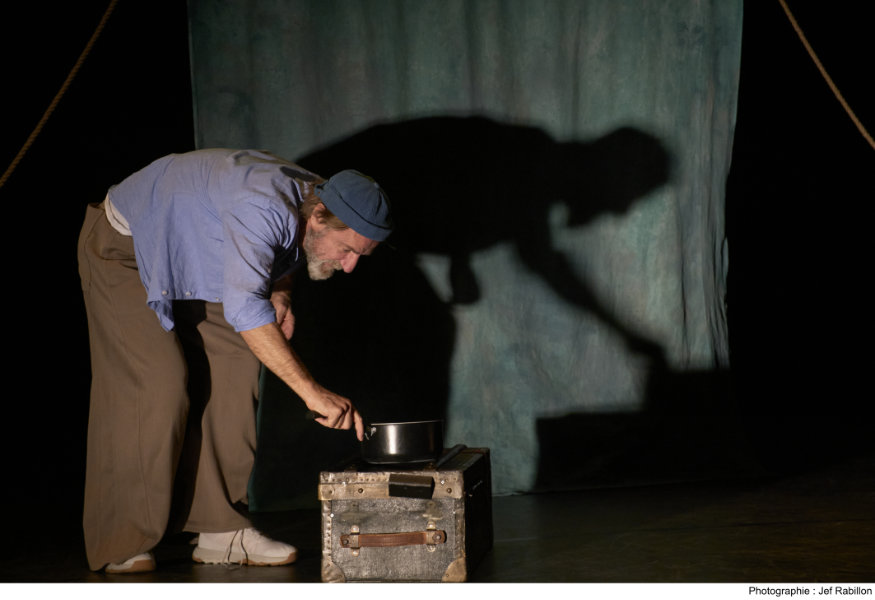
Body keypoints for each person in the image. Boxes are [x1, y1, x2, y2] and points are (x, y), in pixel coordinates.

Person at [77, 148, 392, 573]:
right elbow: (246, 305)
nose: (350, 266)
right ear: (319, 215)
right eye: (347, 249)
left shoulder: (319, 196)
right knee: (158, 383)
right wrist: (311, 392)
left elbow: (289, 247)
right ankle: (121, 537)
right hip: (126, 250)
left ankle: (220, 529)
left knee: (236, 367)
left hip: (194, 253)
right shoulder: (261, 204)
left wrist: (281, 291)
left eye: (361, 256)